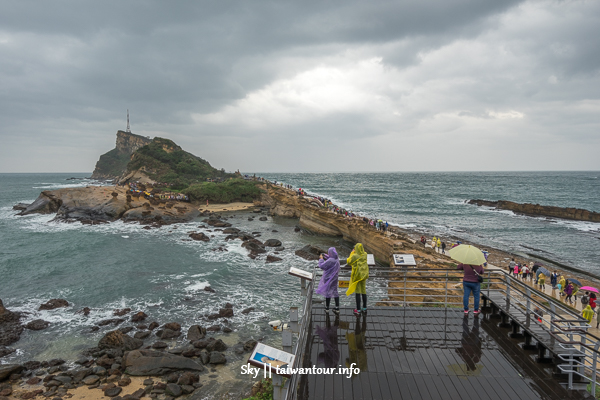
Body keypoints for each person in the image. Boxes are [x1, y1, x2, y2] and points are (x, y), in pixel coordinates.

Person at [346, 243, 369, 315]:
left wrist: (352, 253)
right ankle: (364, 308)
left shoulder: (355, 256)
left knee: (358, 292)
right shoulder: (365, 254)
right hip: (364, 274)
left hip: (357, 275)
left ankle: (358, 309)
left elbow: (349, 262)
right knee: (363, 290)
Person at [316, 247, 341, 314]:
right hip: (335, 278)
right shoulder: (336, 259)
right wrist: (325, 255)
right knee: (335, 291)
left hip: (328, 278)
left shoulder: (330, 261)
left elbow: (322, 266)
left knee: (328, 292)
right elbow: (330, 258)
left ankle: (327, 308)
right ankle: (337, 308)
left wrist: (321, 259)